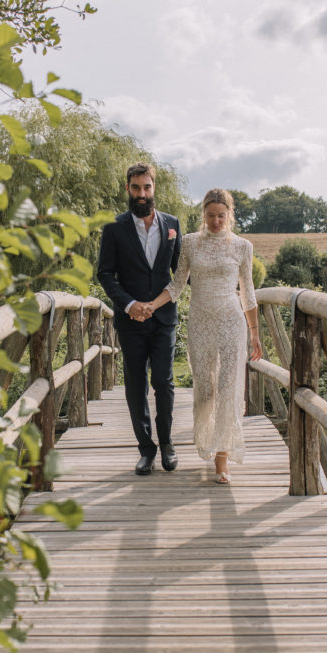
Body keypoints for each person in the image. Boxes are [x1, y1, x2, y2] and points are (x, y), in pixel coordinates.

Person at [143, 188, 263, 484]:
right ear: (203, 215)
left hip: (232, 323)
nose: (216, 221)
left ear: (229, 215)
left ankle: (222, 460)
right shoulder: (191, 243)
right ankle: (207, 442)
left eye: (221, 215)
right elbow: (177, 285)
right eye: (210, 215)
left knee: (227, 389)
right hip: (200, 322)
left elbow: (248, 293)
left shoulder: (242, 247)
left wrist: (255, 334)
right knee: (206, 389)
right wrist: (149, 306)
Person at [96, 163, 183, 476]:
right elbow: (105, 273)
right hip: (130, 321)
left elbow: (180, 273)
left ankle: (168, 444)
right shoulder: (114, 227)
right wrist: (129, 304)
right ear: (127, 189)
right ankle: (146, 449)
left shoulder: (172, 225)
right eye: (136, 188)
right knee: (136, 386)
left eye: (147, 187)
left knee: (163, 381)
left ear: (154, 187)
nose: (142, 194)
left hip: (163, 319)